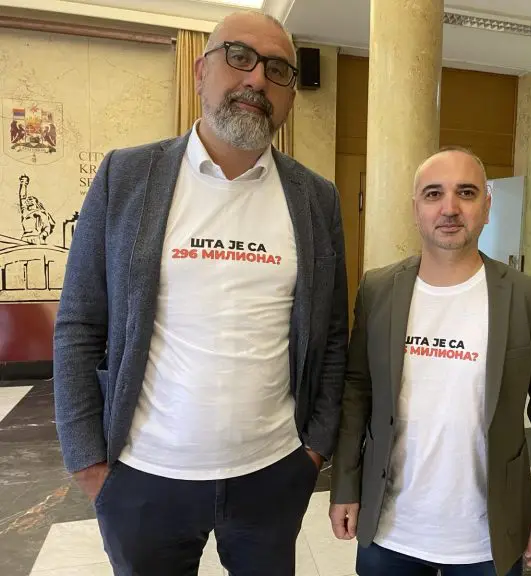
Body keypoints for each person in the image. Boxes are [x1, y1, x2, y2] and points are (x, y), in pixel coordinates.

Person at [54, 10, 348, 576]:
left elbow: (332, 333)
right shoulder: (126, 176)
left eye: (278, 70)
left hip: (273, 473)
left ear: (290, 96)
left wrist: (313, 451)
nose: (257, 79)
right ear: (200, 71)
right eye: (239, 57)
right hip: (143, 478)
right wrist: (87, 461)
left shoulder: (316, 198)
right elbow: (79, 324)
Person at [329, 148, 531, 576]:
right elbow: (358, 391)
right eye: (433, 194)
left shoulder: (528, 298)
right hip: (390, 529)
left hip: (484, 537)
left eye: (466, 192)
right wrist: (345, 483)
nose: (449, 208)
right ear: (416, 209)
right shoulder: (378, 290)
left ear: (487, 206)